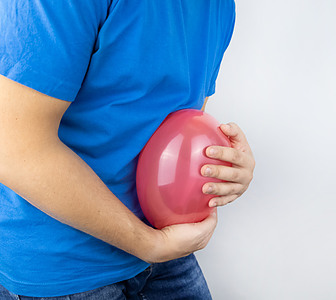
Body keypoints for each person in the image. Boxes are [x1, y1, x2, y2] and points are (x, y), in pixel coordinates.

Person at [0, 1, 255, 299]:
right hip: (62, 264)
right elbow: (12, 146)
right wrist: (149, 243)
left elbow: (173, 124)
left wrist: (227, 165)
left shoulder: (219, 7)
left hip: (162, 243)